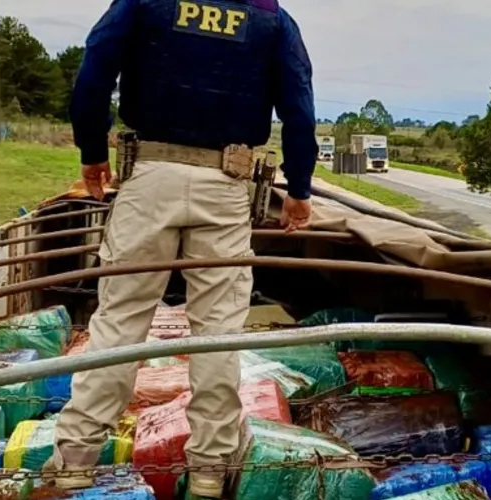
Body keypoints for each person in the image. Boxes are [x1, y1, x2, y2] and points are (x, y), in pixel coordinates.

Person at [46, 0, 318, 498]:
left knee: (120, 321)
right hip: (227, 184)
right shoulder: (270, 16)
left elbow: (94, 73)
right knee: (217, 333)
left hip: (149, 178)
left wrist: (91, 152)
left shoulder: (144, 2)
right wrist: (299, 188)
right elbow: (299, 106)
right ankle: (210, 474)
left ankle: (74, 464)